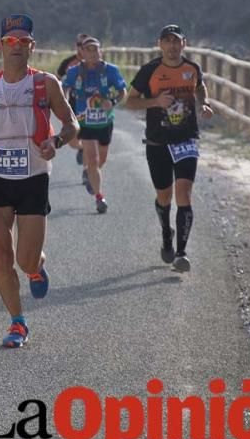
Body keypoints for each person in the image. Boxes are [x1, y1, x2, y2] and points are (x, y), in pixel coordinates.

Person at [0, 14, 79, 348]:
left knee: (25, 259)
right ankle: (17, 322)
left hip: (33, 177)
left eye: (23, 41)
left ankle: (36, 266)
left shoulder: (46, 84)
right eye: (11, 41)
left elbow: (71, 124)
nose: (17, 46)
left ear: (32, 47)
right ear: (0, 46)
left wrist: (56, 142)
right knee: (1, 255)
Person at [124, 24, 214, 272]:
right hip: (158, 142)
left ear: (184, 43)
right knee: (164, 195)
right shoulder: (150, 70)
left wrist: (204, 103)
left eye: (177, 41)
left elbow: (199, 86)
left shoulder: (191, 68)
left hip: (186, 139)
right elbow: (129, 102)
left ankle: (181, 253)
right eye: (167, 41)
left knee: (183, 194)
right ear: (160, 44)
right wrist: (156, 101)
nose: (172, 46)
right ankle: (166, 231)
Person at [61, 37, 127, 213]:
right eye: (88, 50)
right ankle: (99, 197)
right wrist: (66, 103)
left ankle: (89, 173)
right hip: (85, 120)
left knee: (102, 160)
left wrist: (112, 101)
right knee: (93, 159)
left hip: (105, 121)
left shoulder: (110, 71)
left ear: (101, 52)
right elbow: (64, 87)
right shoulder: (75, 71)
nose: (92, 54)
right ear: (82, 53)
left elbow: (122, 91)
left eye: (95, 50)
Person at [56, 33, 89, 166]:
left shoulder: (97, 64)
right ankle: (82, 149)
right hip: (73, 106)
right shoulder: (67, 63)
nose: (82, 48)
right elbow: (56, 81)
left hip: (92, 107)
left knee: (91, 141)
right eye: (80, 45)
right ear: (76, 46)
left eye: (86, 45)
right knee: (73, 142)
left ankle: (88, 171)